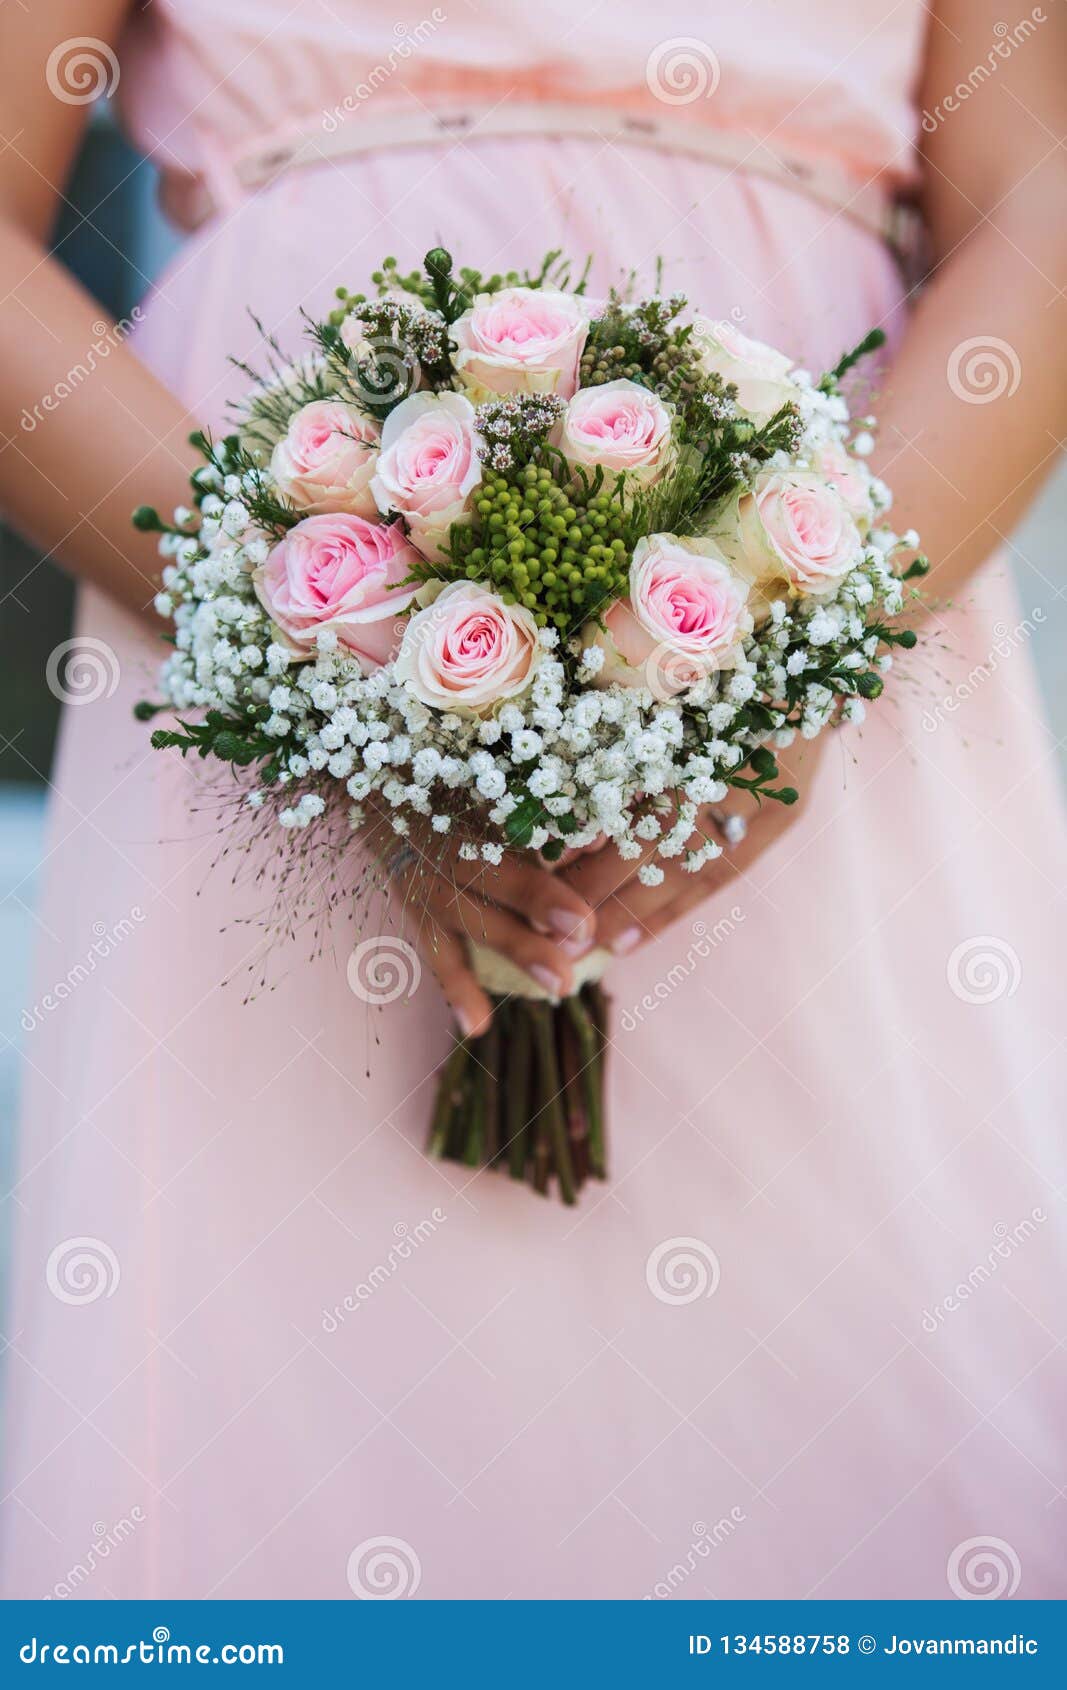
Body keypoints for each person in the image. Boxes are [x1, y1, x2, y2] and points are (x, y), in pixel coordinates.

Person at [1, 0, 1064, 1600]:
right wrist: (306, 656)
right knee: (294, 1372)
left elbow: (1036, 200)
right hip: (247, 595)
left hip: (833, 592)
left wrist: (811, 650)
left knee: (859, 1398)